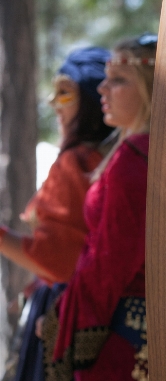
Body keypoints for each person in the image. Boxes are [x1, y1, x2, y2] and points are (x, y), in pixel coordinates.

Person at [40, 34, 166, 381]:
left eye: (117, 80)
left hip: (131, 342)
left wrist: (64, 324)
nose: (102, 89)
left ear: (151, 88)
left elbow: (107, 266)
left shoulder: (135, 159)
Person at [0, 46, 113, 381]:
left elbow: (57, 262)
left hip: (68, 317)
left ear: (93, 97)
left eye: (65, 93)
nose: (53, 104)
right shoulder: (116, 158)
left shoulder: (75, 162)